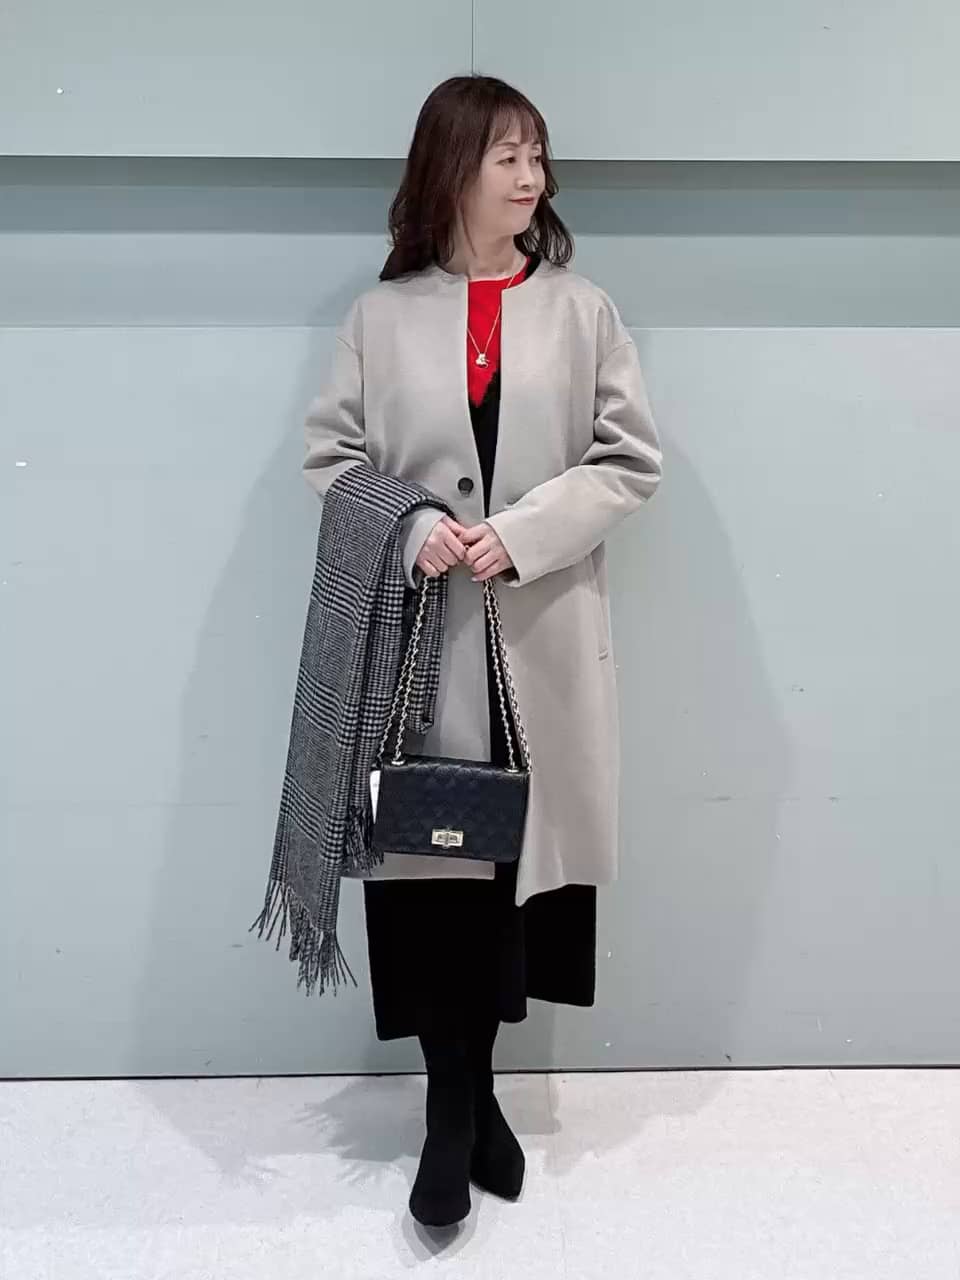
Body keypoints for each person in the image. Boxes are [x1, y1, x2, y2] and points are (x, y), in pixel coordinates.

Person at [299, 74, 663, 1228]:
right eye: (507, 154)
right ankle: (450, 1104)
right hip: (421, 651)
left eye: (537, 155)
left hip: (538, 646)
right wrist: (413, 527)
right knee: (430, 874)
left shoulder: (583, 310)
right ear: (449, 167)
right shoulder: (380, 316)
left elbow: (630, 458)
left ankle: (485, 1090)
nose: (529, 175)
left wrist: (522, 532)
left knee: (511, 884)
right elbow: (331, 457)